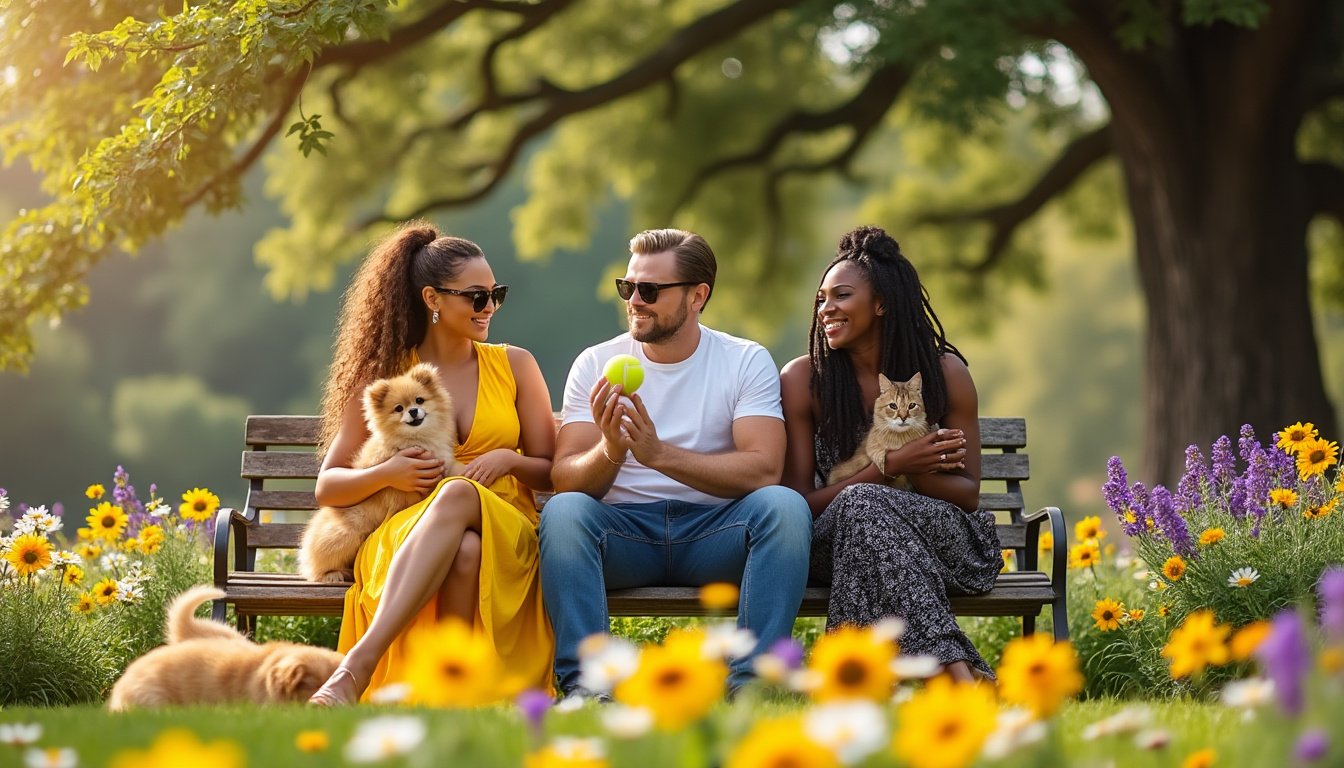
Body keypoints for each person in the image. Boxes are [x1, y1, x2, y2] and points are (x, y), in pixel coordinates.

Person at [540, 228, 812, 697]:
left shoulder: (744, 361)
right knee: (563, 515)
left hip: (715, 534)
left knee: (784, 508)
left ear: (697, 296)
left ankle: (750, 689)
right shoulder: (595, 363)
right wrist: (611, 450)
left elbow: (764, 468)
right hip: (623, 536)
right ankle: (589, 692)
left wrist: (658, 455)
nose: (635, 301)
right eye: (629, 288)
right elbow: (565, 479)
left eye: (650, 290)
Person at [307, 221, 557, 704]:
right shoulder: (387, 381)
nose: (490, 308)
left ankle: (355, 669)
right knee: (463, 550)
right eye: (476, 297)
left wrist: (506, 459)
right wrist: (386, 474)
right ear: (433, 298)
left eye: (495, 294)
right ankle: (448, 694)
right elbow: (328, 487)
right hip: (407, 531)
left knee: (460, 492)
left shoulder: (515, 365)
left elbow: (551, 468)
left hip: (506, 527)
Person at [779, 225, 1001, 681]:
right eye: (820, 299)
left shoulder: (943, 374)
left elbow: (968, 495)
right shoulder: (805, 381)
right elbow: (795, 506)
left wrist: (916, 473)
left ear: (880, 303)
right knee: (862, 508)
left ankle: (852, 681)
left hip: (944, 540)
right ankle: (956, 673)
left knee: (864, 511)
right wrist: (892, 465)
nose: (826, 309)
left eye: (840, 296)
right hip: (832, 542)